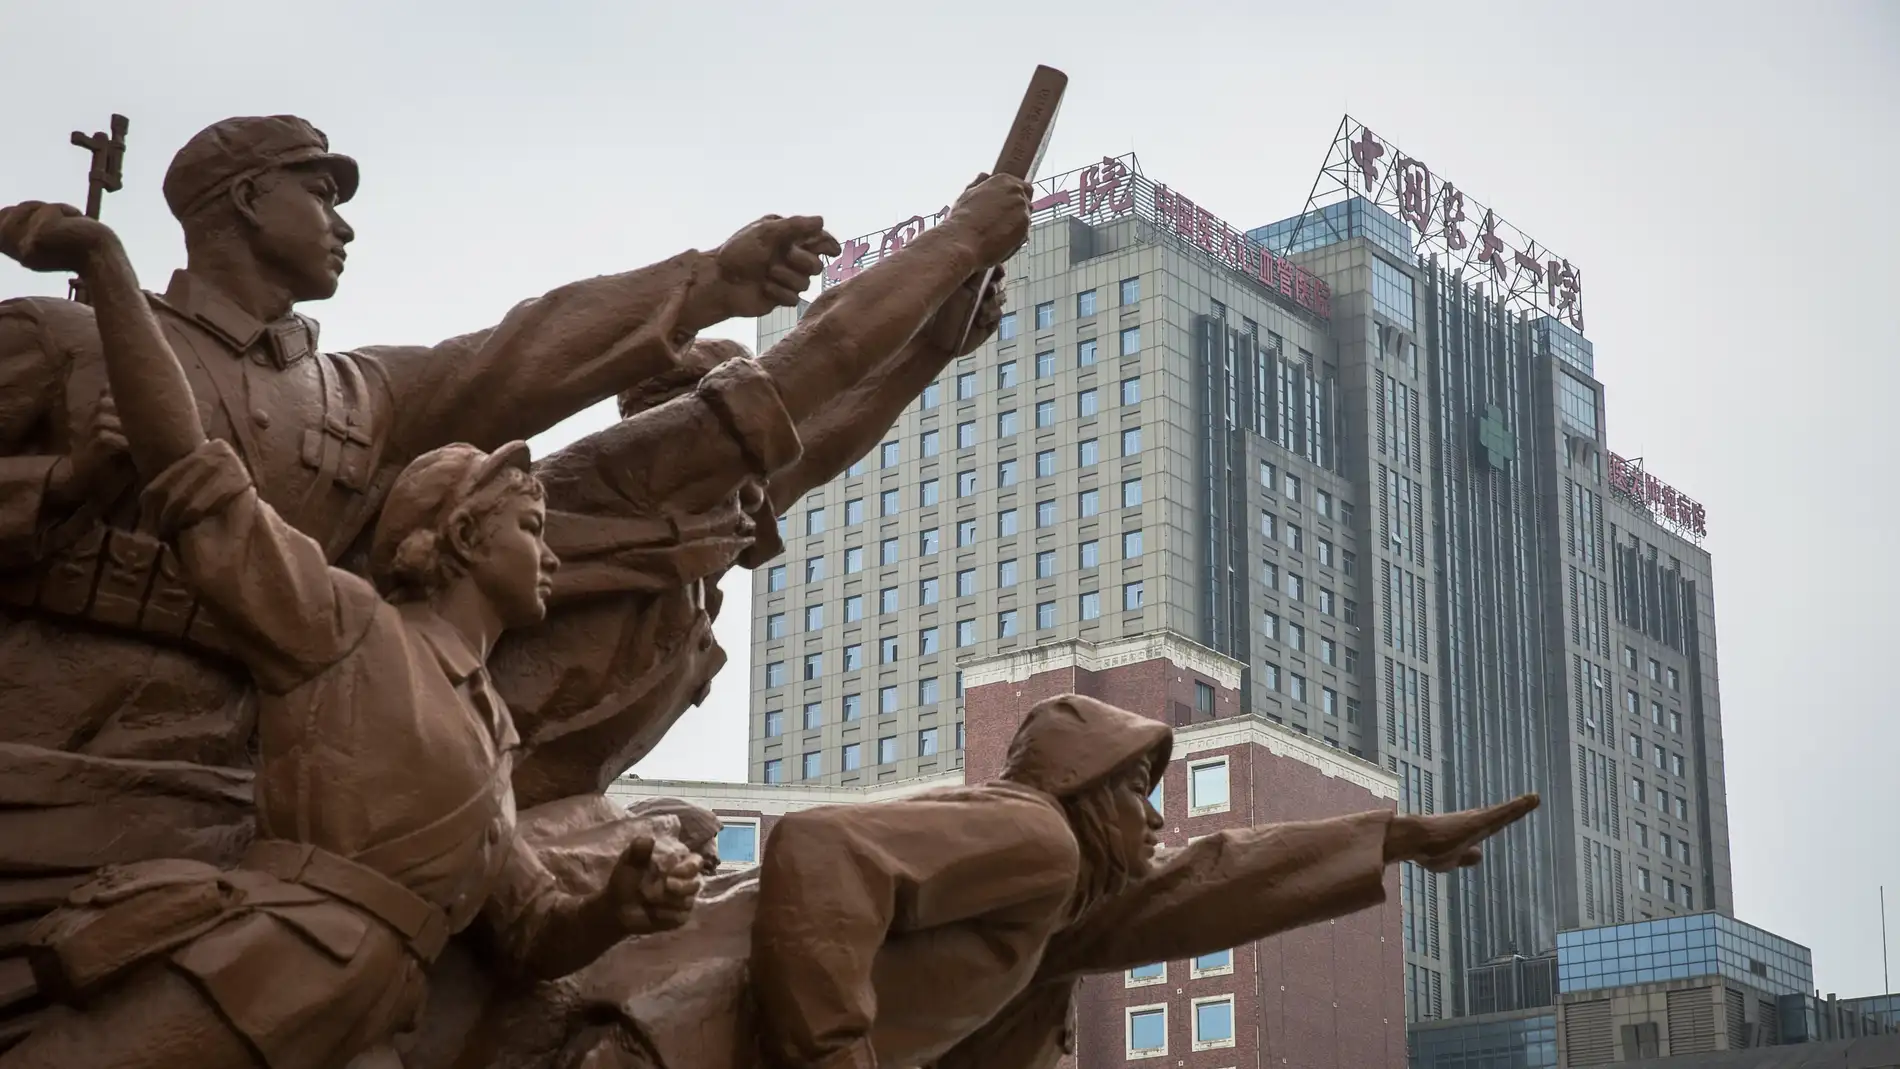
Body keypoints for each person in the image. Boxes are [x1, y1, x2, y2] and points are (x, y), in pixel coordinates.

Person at [0, 203, 710, 1069]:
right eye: (530, 525)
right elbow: (195, 477)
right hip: (258, 972)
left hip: (370, 1018)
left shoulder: (492, 733)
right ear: (461, 538)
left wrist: (617, 904)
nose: (549, 550)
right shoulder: (344, 626)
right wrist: (108, 268)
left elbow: (528, 933)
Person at [0, 113, 838, 767]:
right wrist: (63, 484)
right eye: (319, 194)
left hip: (265, 747)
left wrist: (706, 285)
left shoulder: (352, 394)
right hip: (62, 738)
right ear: (249, 199)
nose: (343, 226)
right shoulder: (68, 338)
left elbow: (522, 352)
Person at [446, 694, 1540, 1069]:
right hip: (671, 1048)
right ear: (1080, 789)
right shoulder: (1037, 838)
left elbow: (1210, 878)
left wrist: (1386, 839)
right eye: (1136, 792)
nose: (1155, 819)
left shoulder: (1052, 905)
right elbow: (817, 851)